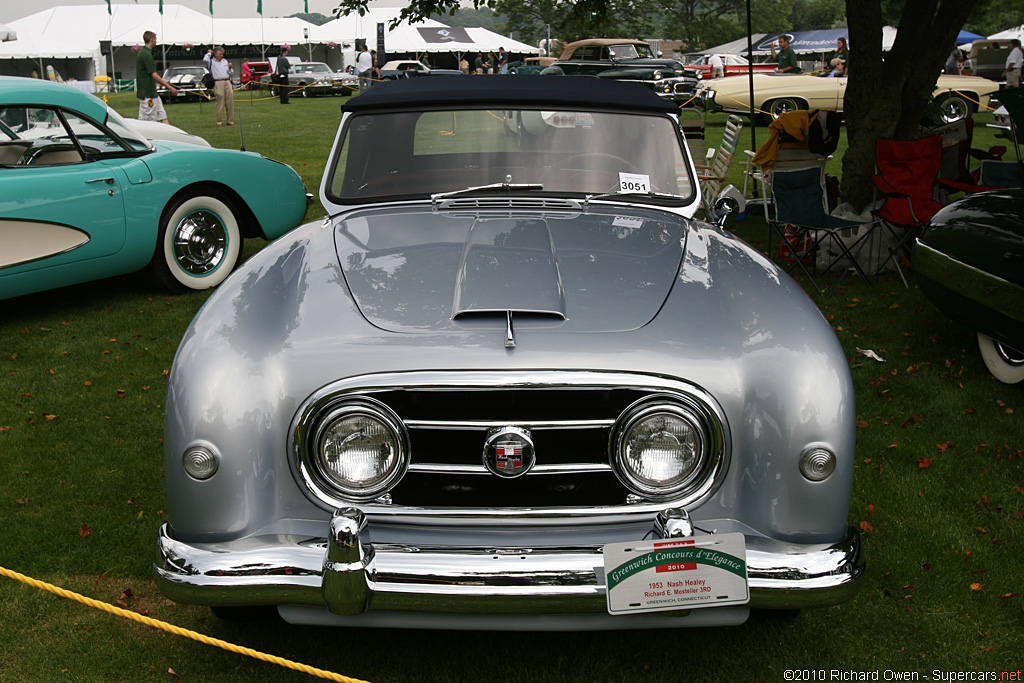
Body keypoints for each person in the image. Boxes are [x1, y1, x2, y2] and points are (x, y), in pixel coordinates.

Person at [136, 30, 177, 124]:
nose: (156, 41)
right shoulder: (145, 54)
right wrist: (170, 87)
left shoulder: (146, 52)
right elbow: (154, 74)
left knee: (163, 116)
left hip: (153, 93)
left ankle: (170, 136)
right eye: (155, 39)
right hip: (147, 94)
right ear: (152, 40)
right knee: (148, 122)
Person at [203, 46, 234, 125]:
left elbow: (230, 73)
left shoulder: (224, 61)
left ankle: (230, 120)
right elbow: (205, 59)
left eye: (222, 54)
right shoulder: (211, 61)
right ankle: (220, 120)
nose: (222, 56)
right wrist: (209, 53)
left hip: (227, 81)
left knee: (229, 101)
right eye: (220, 54)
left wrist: (230, 68)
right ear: (215, 54)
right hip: (218, 82)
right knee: (220, 101)